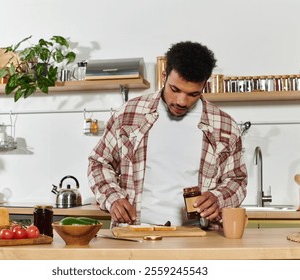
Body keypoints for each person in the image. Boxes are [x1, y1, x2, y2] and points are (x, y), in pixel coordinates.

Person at [87, 41, 247, 227]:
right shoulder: (129, 114)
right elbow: (99, 163)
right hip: (135, 234)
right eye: (175, 89)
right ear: (164, 76)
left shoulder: (225, 126)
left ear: (204, 86)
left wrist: (218, 199)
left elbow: (237, 180)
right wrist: (112, 198)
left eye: (193, 94)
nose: (181, 101)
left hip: (199, 237)